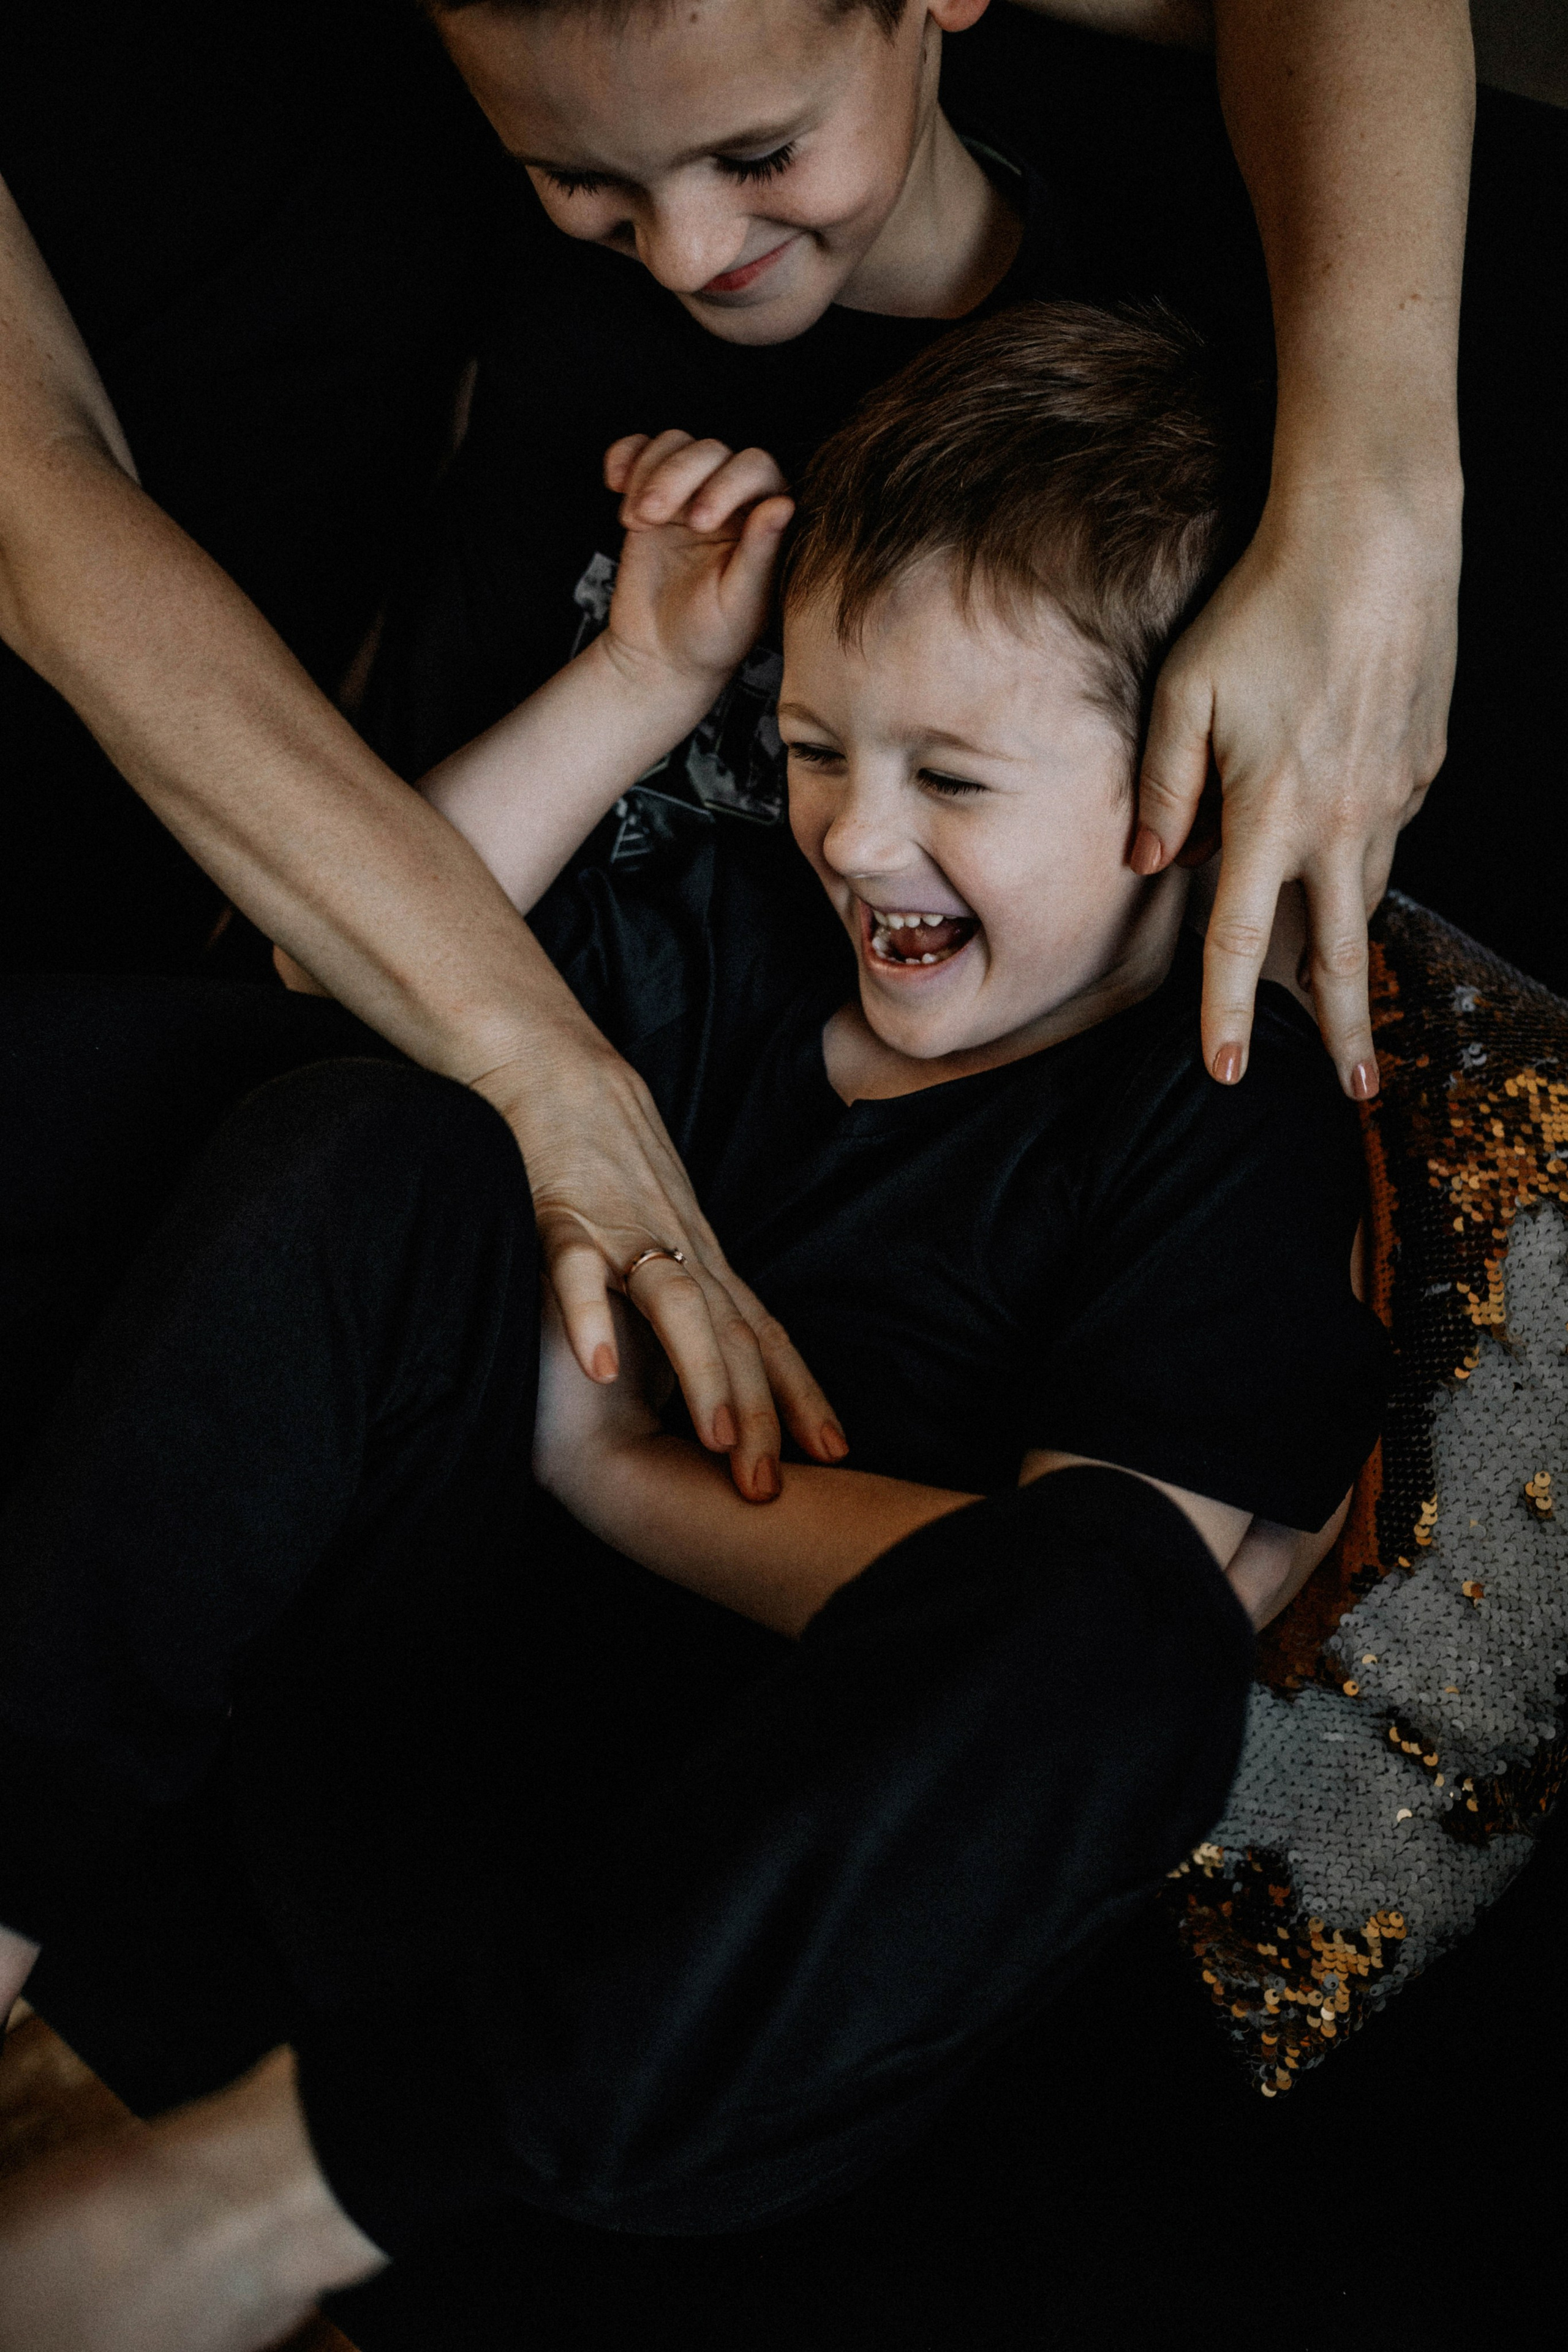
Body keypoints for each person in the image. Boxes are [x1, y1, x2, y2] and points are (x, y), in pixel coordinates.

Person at [0, 303, 1387, 2350]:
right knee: (360, 1138)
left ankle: (252, 2203)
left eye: (951, 777)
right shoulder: (734, 939)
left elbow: (1087, 1599)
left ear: (1191, 779)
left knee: (1114, 1615)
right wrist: (648, 682)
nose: (853, 835)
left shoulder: (1213, 1109)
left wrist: (609, 1469)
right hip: (381, 1725)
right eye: (816, 750)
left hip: (699, 1982)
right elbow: (321, 960)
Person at [0, 0, 1472, 1498]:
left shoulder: (1120, 404)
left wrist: (1381, 487)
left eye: (761, 152)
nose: (688, 251)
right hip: (394, 1073)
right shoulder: (562, 293)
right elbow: (52, 537)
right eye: (582, 184)